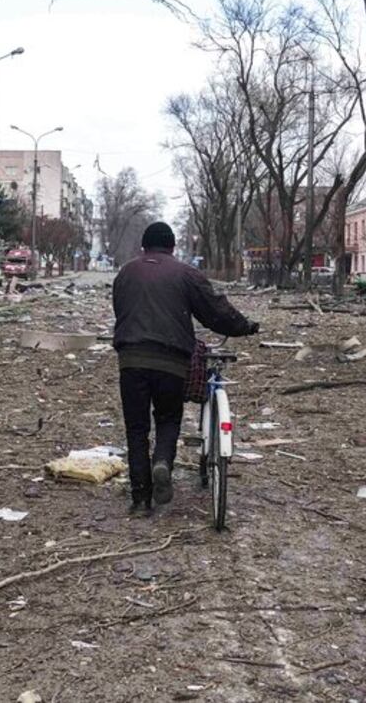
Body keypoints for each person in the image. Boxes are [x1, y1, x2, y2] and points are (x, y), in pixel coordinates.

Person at [112, 221, 259, 515]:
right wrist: (245, 327)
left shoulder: (126, 272)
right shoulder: (185, 274)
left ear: (144, 246)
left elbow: (121, 309)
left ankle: (141, 499)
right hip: (171, 361)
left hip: (131, 359)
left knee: (136, 427)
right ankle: (163, 461)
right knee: (168, 417)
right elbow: (214, 311)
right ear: (172, 246)